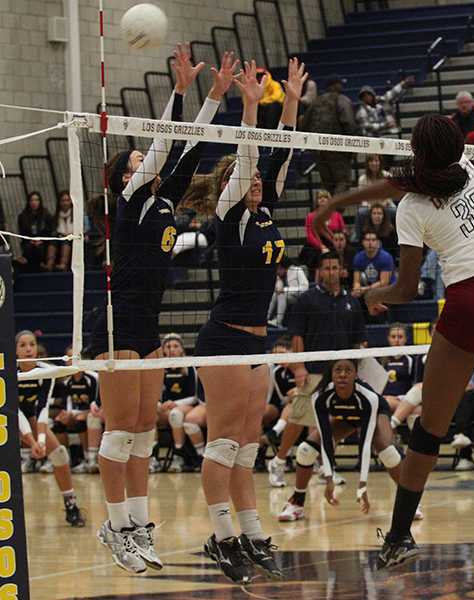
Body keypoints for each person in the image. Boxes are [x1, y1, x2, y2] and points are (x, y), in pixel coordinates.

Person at [312, 113, 474, 569]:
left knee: (429, 428)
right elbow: (400, 183)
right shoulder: (472, 172)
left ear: (418, 154)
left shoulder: (412, 210)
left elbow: (405, 290)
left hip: (469, 302)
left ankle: (398, 536)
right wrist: (339, 201)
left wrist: (372, 293)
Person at [91, 44, 226, 575]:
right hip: (119, 319)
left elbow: (188, 147)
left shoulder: (166, 199)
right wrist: (177, 91)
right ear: (125, 177)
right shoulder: (129, 203)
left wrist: (212, 97)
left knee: (144, 431)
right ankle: (115, 525)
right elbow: (167, 141)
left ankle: (139, 528)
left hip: (149, 321)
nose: (144, 166)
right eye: (136, 163)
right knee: (120, 431)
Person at [194, 57, 306, 583]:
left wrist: (288, 102)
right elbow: (248, 157)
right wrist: (247, 105)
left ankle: (252, 533)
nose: (257, 181)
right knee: (222, 442)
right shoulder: (231, 215)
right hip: (224, 339)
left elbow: (277, 155)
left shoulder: (263, 212)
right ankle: (222, 538)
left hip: (257, 343)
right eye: (248, 180)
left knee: (247, 444)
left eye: (259, 180)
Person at [268, 251, 367, 488]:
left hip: (340, 374)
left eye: (335, 268)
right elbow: (297, 335)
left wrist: (357, 367)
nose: (331, 273)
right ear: (319, 271)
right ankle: (279, 461)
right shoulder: (307, 299)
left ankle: (326, 466)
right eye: (327, 268)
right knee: (298, 419)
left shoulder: (351, 302)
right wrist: (299, 367)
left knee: (329, 422)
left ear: (342, 270)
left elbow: (357, 340)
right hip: (312, 370)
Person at [277, 359, 413, 521]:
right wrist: (329, 478)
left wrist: (362, 485)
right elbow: (326, 440)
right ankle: (297, 503)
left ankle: (410, 502)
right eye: (338, 370)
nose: (342, 375)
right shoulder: (320, 396)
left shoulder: (368, 397)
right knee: (306, 450)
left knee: (387, 452)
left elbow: (365, 443)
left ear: (356, 375)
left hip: (375, 414)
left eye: (348, 371)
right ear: (331, 374)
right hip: (347, 417)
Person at [16, 331, 86, 527]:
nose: (29, 348)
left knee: (60, 455)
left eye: (32, 344)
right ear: (15, 351)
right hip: (8, 418)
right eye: (22, 345)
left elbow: (42, 407)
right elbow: (15, 412)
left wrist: (41, 442)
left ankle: (71, 505)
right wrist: (32, 443)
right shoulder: (8, 372)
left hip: (33, 418)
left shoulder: (46, 371)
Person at [153, 334, 199, 473]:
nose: (172, 349)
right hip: (164, 408)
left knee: (175, 415)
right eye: (168, 346)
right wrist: (159, 404)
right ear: (163, 351)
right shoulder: (159, 368)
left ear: (182, 349)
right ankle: (152, 457)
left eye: (175, 346)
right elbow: (155, 392)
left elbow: (194, 396)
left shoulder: (189, 367)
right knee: (149, 414)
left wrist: (174, 403)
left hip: (185, 406)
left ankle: (178, 456)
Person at [303, 75, 356, 194]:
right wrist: (353, 147)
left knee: (328, 185)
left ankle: (330, 210)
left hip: (319, 149)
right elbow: (348, 123)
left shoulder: (316, 102)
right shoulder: (342, 99)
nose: (342, 86)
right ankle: (335, 211)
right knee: (343, 182)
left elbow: (304, 124)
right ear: (335, 85)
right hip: (338, 148)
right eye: (339, 83)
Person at [352, 230, 396, 315]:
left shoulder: (386, 257)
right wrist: (357, 289)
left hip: (386, 290)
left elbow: (384, 283)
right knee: (354, 297)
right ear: (363, 242)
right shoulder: (358, 258)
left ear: (378, 242)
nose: (370, 243)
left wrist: (364, 289)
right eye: (367, 240)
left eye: (373, 240)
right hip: (368, 290)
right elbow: (356, 281)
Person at [355, 154, 395, 242]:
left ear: (380, 163)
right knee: (360, 212)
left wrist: (383, 204)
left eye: (376, 161)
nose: (374, 163)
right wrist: (371, 207)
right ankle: (358, 238)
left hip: (385, 205)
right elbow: (363, 198)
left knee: (395, 211)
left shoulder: (387, 175)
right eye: (371, 161)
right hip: (369, 207)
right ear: (368, 164)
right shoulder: (362, 179)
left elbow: (390, 194)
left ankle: (394, 239)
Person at [382, 325, 418, 411]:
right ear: (388, 339)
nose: (396, 340)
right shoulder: (381, 359)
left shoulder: (411, 360)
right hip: (385, 398)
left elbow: (414, 385)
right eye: (393, 337)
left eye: (400, 337)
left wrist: (400, 398)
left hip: (404, 399)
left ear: (406, 339)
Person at [16, 190, 53, 272]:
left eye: (36, 200)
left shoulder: (46, 215)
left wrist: (41, 240)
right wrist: (30, 240)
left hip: (43, 242)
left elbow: (49, 231)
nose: (34, 202)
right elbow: (22, 233)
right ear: (28, 202)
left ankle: (43, 267)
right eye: (32, 200)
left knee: (39, 249)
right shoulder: (22, 216)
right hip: (29, 242)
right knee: (29, 248)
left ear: (40, 202)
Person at [46, 189, 73, 271]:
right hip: (59, 238)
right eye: (63, 200)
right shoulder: (55, 217)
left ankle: (63, 264)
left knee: (66, 241)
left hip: (72, 238)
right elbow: (54, 230)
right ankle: (49, 264)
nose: (65, 203)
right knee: (53, 240)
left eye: (67, 200)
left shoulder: (77, 215)